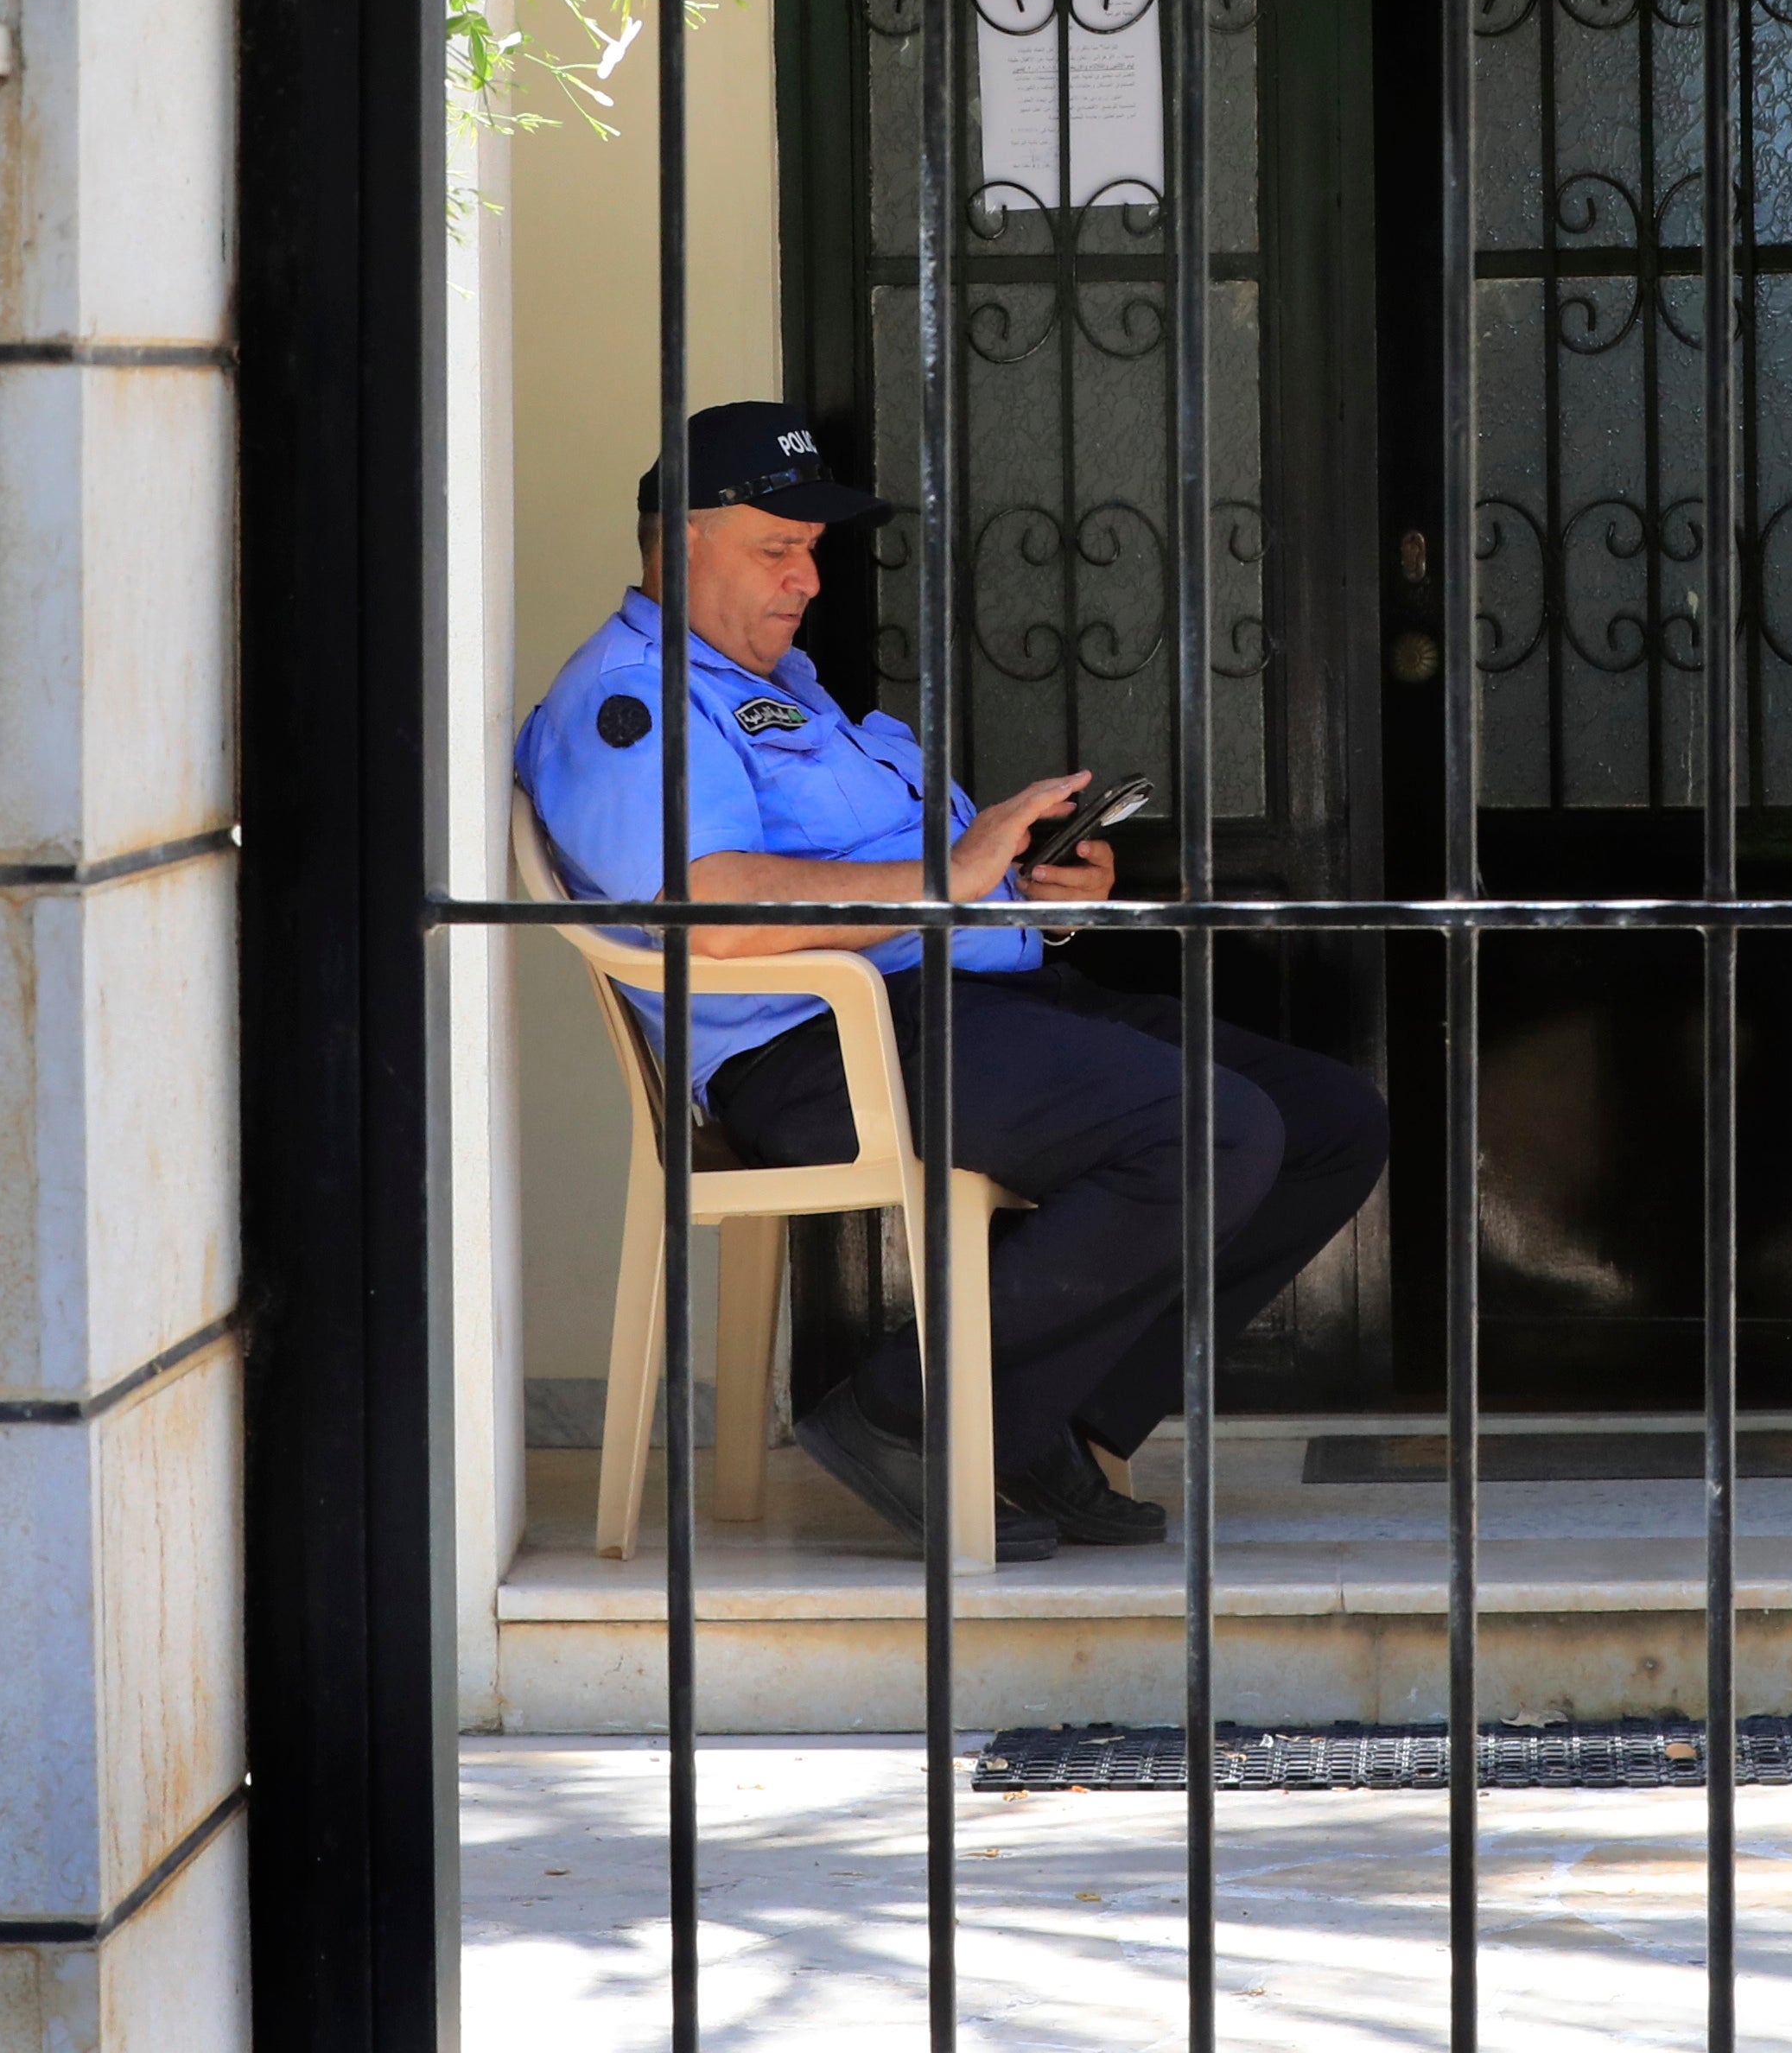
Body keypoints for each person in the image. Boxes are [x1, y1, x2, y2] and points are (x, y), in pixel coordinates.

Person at [518, 400, 1389, 1561]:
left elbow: (930, 887)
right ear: (681, 543)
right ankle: (904, 1407)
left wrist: (1033, 896)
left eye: (812, 552)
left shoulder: (786, 688)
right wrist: (949, 874)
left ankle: (1046, 1427)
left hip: (966, 1008)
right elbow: (706, 917)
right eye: (777, 549)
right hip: (822, 1046)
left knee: (1332, 1122)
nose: (807, 580)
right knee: (1209, 1132)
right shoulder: (631, 702)